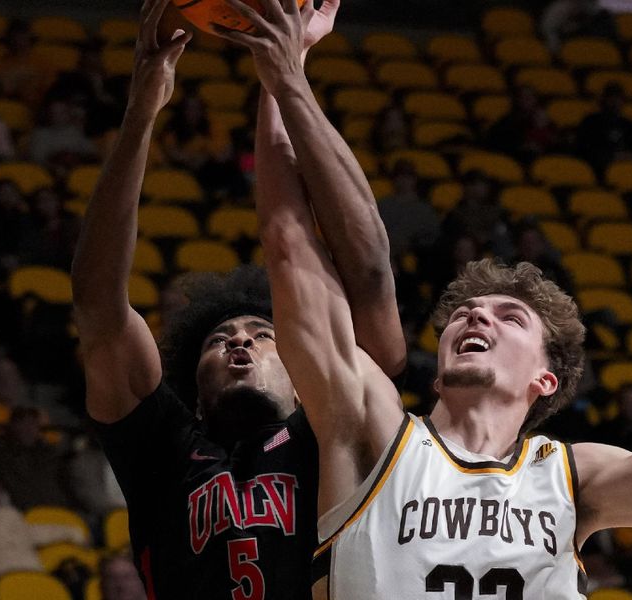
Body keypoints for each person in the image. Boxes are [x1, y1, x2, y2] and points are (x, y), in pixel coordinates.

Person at [221, 6, 632, 596]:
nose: (474, 315)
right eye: (466, 311)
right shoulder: (371, 431)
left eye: (509, 316)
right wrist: (283, 75)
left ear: (546, 379)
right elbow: (290, 246)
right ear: (438, 371)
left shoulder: (573, 477)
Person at [71, 0, 402, 598]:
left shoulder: (333, 432)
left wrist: (287, 72)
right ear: (193, 390)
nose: (241, 342)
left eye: (261, 334)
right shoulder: (164, 452)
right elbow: (98, 304)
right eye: (219, 340)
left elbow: (359, 266)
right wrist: (141, 114)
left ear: (305, 375)